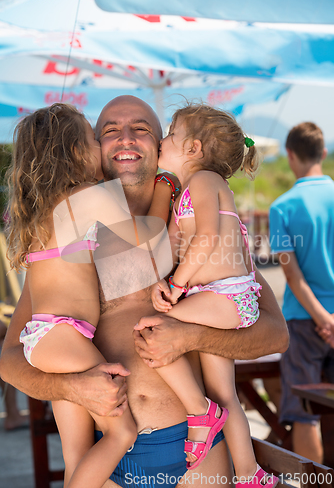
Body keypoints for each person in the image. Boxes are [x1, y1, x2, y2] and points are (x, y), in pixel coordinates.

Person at [0, 95, 288, 488]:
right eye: (109, 131)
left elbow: (275, 333)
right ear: (90, 149)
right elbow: (12, 358)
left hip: (195, 450)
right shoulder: (64, 234)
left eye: (142, 128)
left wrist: (192, 336)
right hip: (105, 455)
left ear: (161, 144)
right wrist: (69, 387)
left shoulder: (200, 222)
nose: (126, 138)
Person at [4, 102, 170, 488]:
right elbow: (150, 243)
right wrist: (168, 183)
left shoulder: (45, 208)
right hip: (65, 335)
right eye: (97, 139)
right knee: (120, 433)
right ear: (79, 151)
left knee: (77, 455)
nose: (104, 146)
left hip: (48, 337)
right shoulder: (87, 196)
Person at [134, 104, 278, 487]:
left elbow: (208, 238)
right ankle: (250, 475)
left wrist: (178, 285)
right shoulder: (185, 191)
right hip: (215, 298)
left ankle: (200, 413)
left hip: (226, 297)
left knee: (152, 330)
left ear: (194, 148)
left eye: (170, 134)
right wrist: (162, 279)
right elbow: (174, 243)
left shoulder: (205, 181)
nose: (162, 141)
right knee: (223, 393)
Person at [269, 122, 334, 463]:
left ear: (290, 155)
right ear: (323, 153)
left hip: (303, 321)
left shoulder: (282, 208)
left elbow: (291, 275)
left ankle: (317, 485)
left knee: (304, 412)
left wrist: (323, 319)